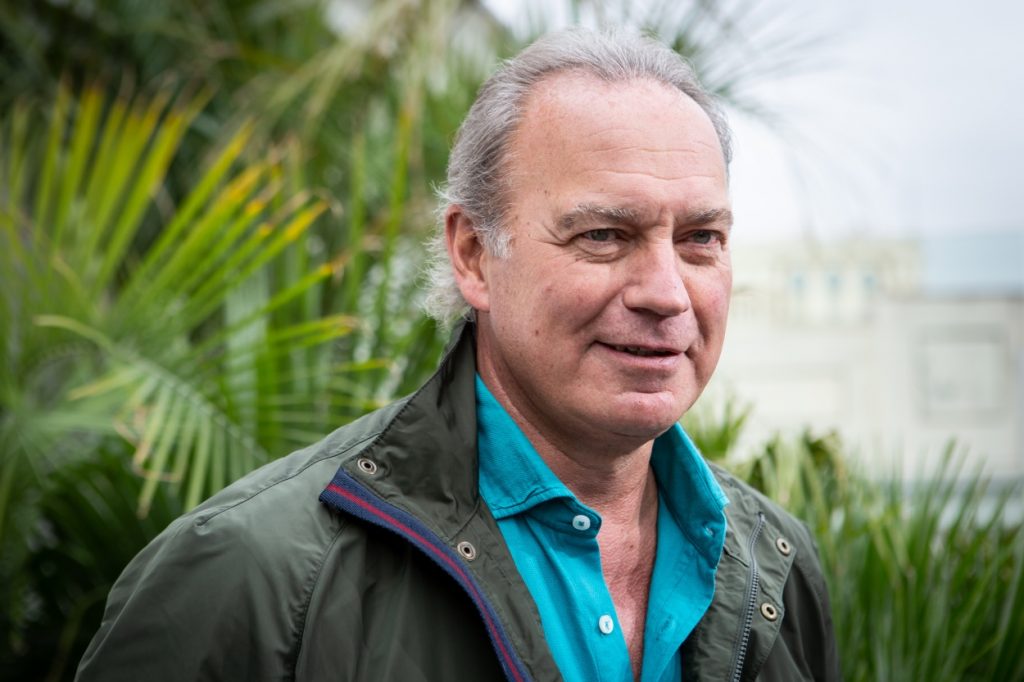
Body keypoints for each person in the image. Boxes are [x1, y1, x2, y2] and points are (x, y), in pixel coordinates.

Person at [77, 28, 840, 682]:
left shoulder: (773, 565)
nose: (667, 293)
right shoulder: (253, 575)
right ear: (474, 255)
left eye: (701, 238)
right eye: (604, 236)